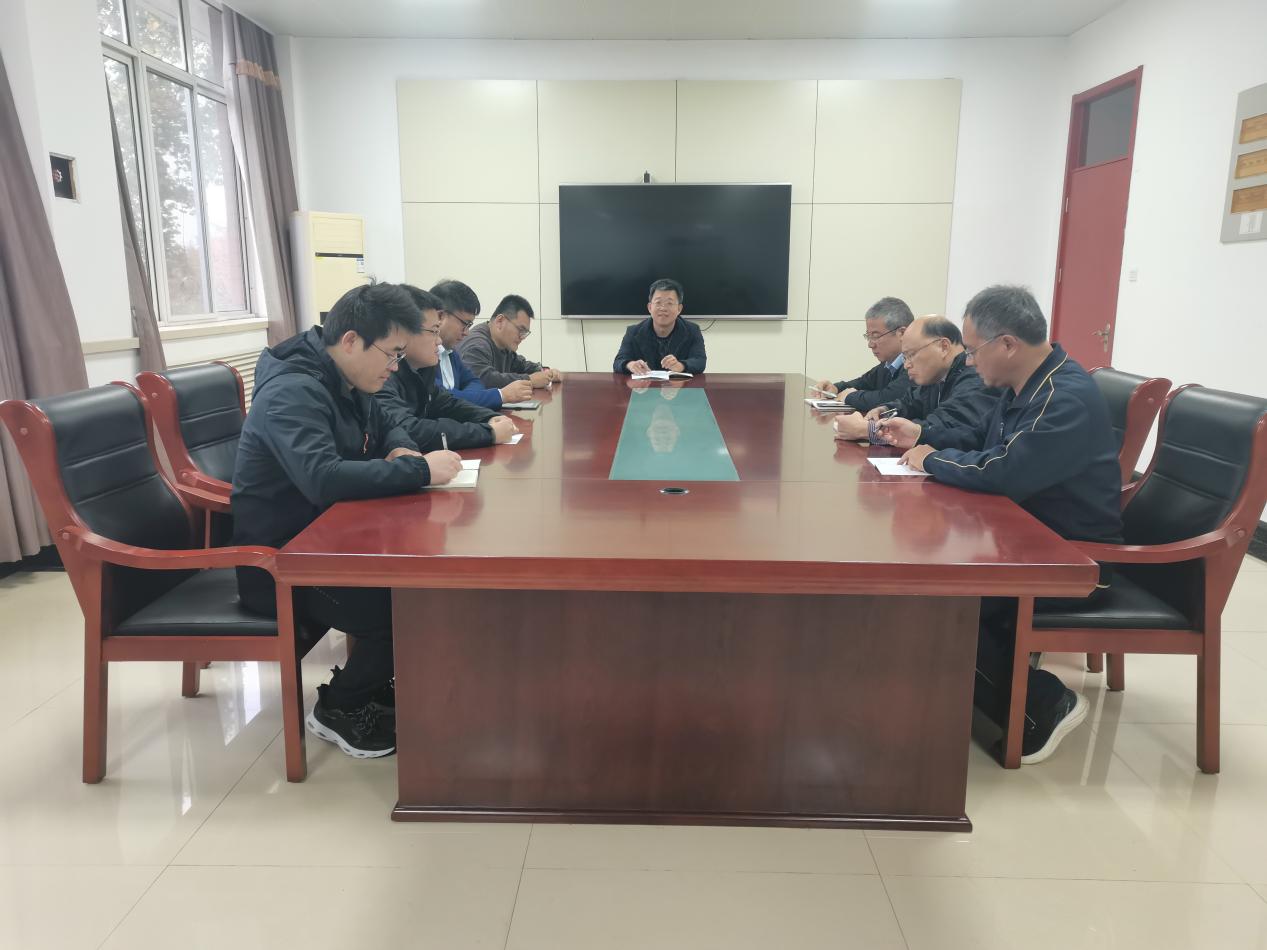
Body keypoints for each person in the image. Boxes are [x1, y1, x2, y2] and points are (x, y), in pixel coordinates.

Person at [231, 282, 463, 759]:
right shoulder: (293, 391)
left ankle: (373, 686)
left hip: (328, 542)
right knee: (404, 610)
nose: (395, 366)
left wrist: (402, 449)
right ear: (353, 340)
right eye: (392, 354)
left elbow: (387, 424)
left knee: (422, 594)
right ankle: (339, 705)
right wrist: (419, 469)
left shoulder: (343, 375)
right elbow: (322, 478)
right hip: (281, 562)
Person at [898, 285, 1122, 764]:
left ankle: (1043, 705)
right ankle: (963, 689)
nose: (969, 361)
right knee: (927, 590)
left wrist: (932, 460)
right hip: (1023, 537)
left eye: (973, 350)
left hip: (1072, 559)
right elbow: (980, 439)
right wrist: (922, 435)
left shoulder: (1063, 397)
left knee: (937, 601)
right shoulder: (1026, 383)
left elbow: (1003, 470)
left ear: (1007, 344)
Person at [375, 286, 519, 449]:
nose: (438, 341)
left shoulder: (422, 369)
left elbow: (447, 403)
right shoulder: (381, 375)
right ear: (403, 333)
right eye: (434, 331)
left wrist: (489, 418)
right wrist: (488, 432)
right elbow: (410, 429)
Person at [833, 315, 998, 450]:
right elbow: (910, 403)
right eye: (905, 357)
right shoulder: (937, 376)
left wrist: (868, 430)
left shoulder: (975, 377)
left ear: (943, 346)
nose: (906, 365)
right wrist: (884, 410)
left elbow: (943, 428)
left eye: (911, 355)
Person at [429, 279, 533, 409]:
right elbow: (444, 399)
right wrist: (501, 395)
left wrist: (466, 397)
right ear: (440, 316)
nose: (467, 333)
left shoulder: (450, 352)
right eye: (465, 324)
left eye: (469, 325)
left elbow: (474, 381)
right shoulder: (423, 357)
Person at [814, 297, 914, 412]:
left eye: (875, 336)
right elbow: (862, 383)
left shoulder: (915, 366)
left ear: (902, 333)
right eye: (868, 336)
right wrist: (836, 388)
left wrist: (849, 397)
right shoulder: (887, 365)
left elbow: (888, 398)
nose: (870, 345)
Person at [457, 294, 561, 389]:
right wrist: (529, 380)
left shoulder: (503, 345)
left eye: (525, 333)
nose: (522, 337)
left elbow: (521, 365)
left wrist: (545, 372)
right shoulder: (476, 344)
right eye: (521, 330)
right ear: (500, 321)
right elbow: (483, 380)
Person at [614, 278, 707, 375]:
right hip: (645, 384)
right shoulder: (633, 331)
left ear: (679, 309)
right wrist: (630, 365)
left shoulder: (692, 330)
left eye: (669, 303)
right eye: (658, 302)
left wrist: (681, 365)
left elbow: (700, 361)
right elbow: (618, 362)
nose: (663, 308)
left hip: (678, 384)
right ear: (650, 307)